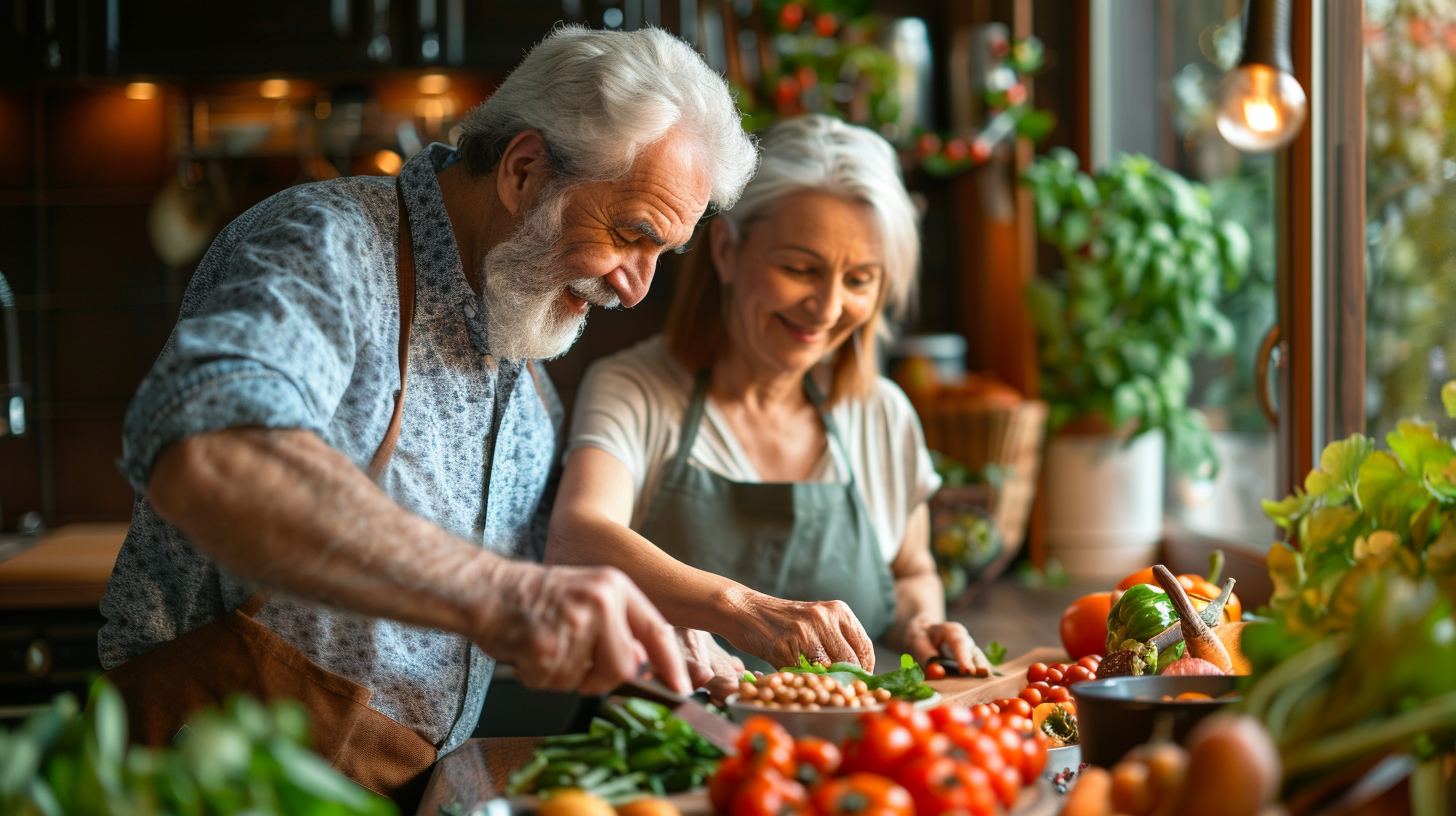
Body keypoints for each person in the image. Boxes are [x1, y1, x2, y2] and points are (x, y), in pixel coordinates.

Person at [97, 25, 756, 803]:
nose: (638, 287)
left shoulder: (515, 334)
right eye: (630, 235)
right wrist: (508, 599)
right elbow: (209, 450)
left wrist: (664, 625)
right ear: (523, 171)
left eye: (659, 255)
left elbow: (538, 551)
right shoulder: (328, 245)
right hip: (213, 780)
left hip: (393, 785)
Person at [547, 115, 991, 686]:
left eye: (859, 280)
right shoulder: (635, 388)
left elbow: (911, 573)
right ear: (727, 252)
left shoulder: (883, 414)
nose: (827, 308)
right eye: (799, 269)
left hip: (861, 754)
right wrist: (743, 611)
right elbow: (576, 536)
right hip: (681, 747)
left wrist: (925, 622)